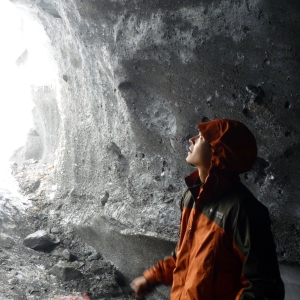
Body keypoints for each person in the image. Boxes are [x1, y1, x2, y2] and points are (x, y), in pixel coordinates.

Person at [130, 118, 284, 300]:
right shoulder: (191, 196)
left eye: (202, 137)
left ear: (219, 151)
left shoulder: (243, 211)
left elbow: (263, 288)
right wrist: (152, 278)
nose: (192, 139)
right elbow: (184, 253)